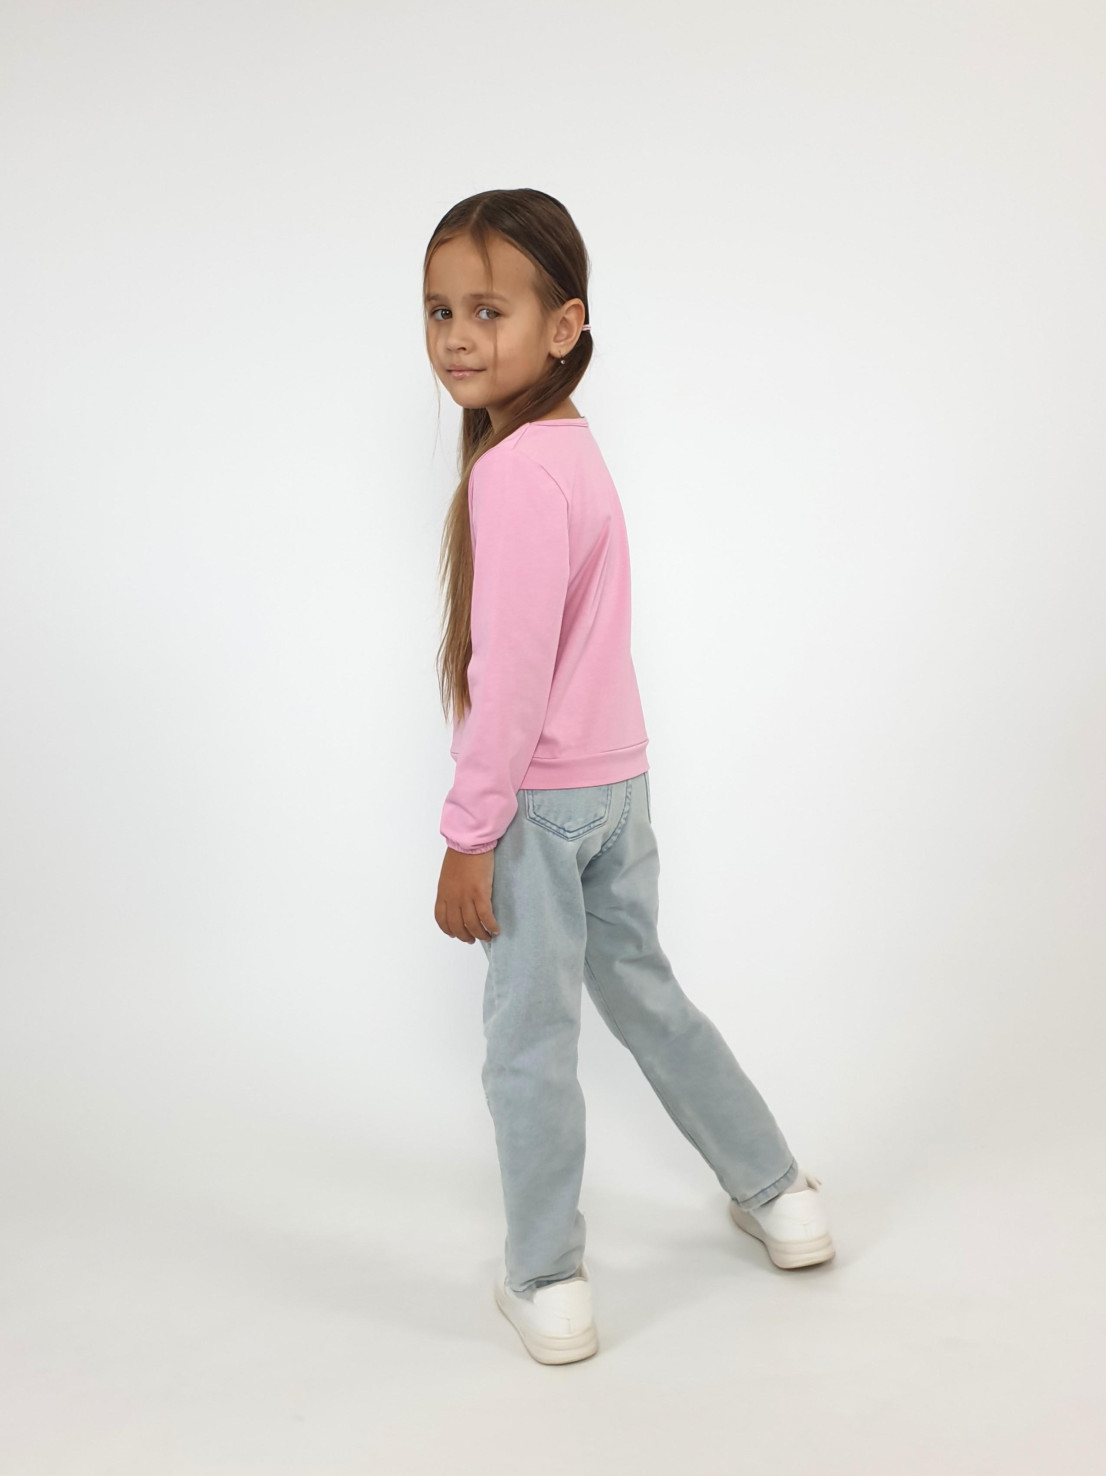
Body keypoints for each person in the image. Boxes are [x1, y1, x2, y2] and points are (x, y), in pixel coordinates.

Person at [426, 188, 834, 1365]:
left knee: (528, 1041)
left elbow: (510, 678)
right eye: (439, 310)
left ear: (564, 327)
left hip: (536, 808)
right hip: (617, 789)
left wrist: (468, 831)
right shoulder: (570, 447)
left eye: (488, 311)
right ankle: (778, 1194)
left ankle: (546, 1280)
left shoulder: (512, 471)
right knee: (647, 998)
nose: (456, 337)